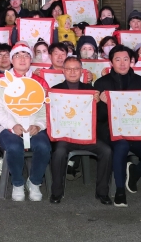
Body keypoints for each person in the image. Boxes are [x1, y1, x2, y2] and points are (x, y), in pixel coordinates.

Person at [93, 45, 141, 207]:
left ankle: (135, 172)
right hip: (110, 130)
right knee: (121, 145)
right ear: (111, 62)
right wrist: (102, 103)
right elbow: (98, 117)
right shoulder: (101, 83)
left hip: (135, 130)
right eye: (117, 59)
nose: (122, 63)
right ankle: (120, 191)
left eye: (126, 59)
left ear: (132, 61)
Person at [0, 42, 50, 201]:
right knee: (13, 146)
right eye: (18, 55)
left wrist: (39, 125)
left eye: (26, 55)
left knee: (44, 146)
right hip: (9, 127)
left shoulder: (40, 82)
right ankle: (17, 182)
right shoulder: (2, 80)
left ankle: (35, 182)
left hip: (34, 126)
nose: (22, 59)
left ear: (31, 59)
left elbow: (45, 108)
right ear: (12, 59)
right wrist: (12, 125)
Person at [48, 56, 112, 205]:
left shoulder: (90, 90)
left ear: (81, 71)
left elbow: (102, 118)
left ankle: (102, 192)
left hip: (87, 135)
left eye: (76, 69)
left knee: (107, 150)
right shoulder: (55, 91)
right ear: (63, 71)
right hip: (65, 136)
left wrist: (99, 103)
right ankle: (56, 192)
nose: (72, 72)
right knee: (59, 152)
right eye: (69, 69)